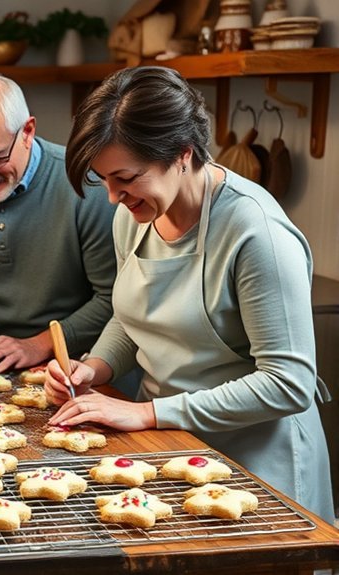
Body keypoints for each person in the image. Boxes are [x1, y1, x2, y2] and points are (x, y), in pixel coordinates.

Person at [48, 65, 333, 521]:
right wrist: (93, 368)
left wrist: (148, 414)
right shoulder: (135, 213)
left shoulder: (255, 233)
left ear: (182, 154)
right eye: (104, 181)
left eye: (124, 177)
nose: (112, 197)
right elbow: (132, 314)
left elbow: (288, 383)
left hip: (259, 464)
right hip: (170, 445)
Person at [0, 73, 117, 373]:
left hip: (78, 364)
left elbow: (113, 301)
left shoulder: (86, 187)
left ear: (27, 131)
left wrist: (39, 344)